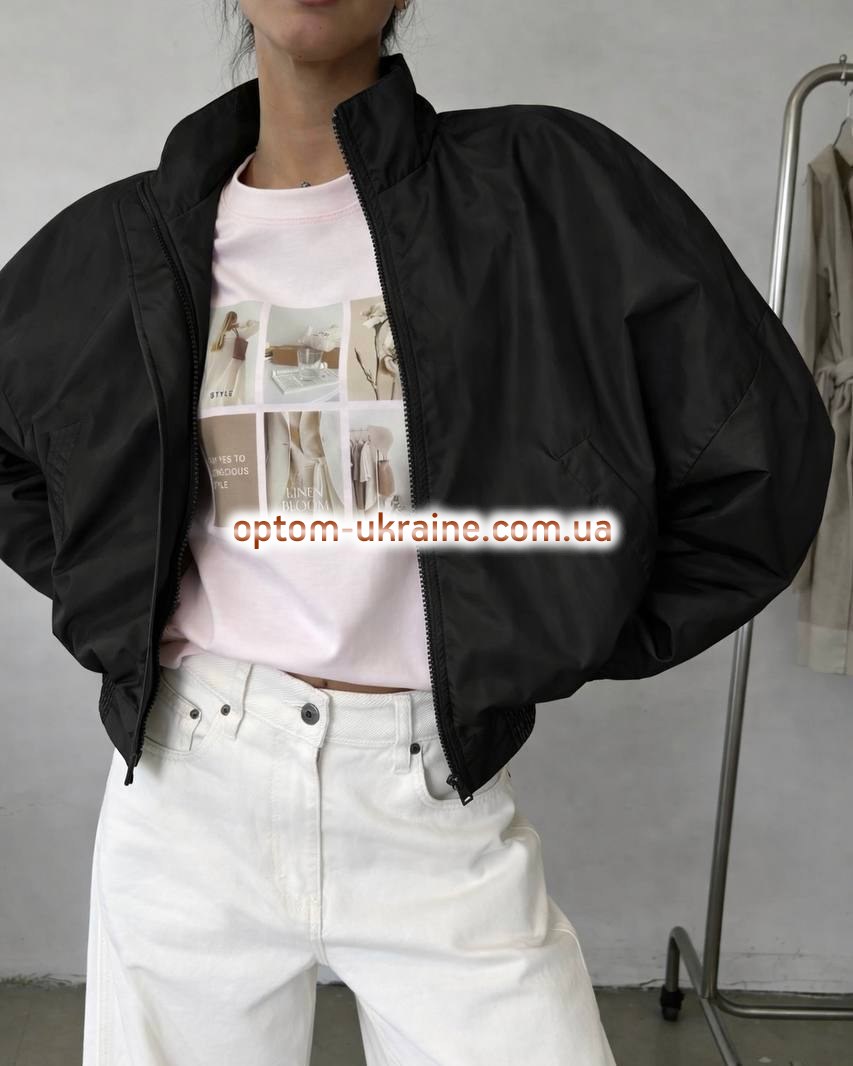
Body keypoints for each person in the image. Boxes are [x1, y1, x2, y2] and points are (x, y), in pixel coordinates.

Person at [0, 1, 834, 1063]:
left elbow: (761, 452)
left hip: (430, 795)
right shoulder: (126, 243)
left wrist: (556, 621)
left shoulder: (541, 190)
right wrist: (117, 589)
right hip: (189, 789)